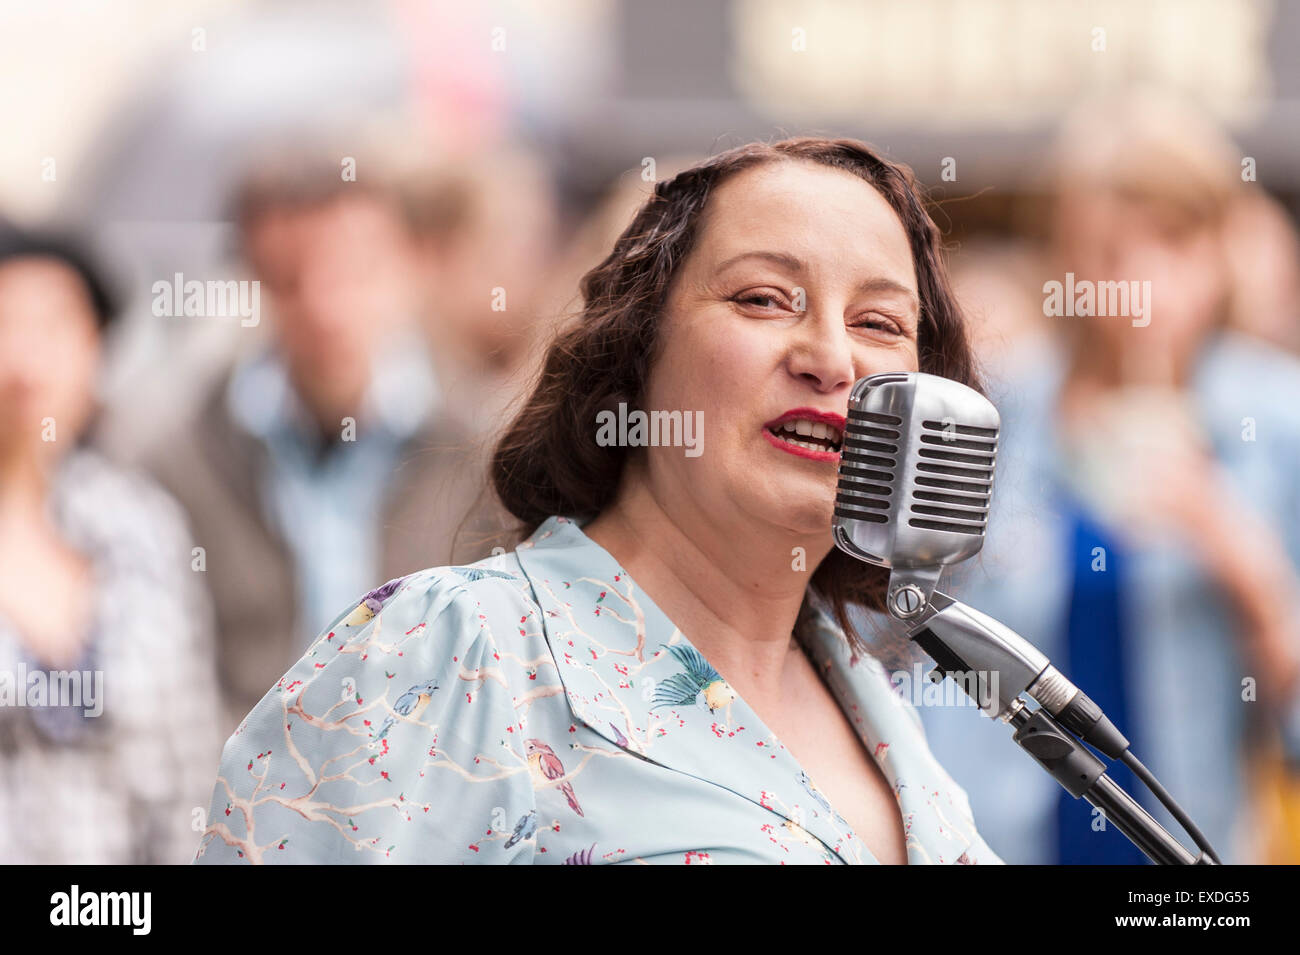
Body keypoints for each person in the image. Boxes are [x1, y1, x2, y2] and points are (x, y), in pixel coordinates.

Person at [194, 137, 1003, 865]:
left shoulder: (874, 695)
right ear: (636, 352)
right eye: (762, 298)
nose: (832, 357)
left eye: (879, 322)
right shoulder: (454, 656)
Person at [919, 91, 1300, 864]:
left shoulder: (1272, 419)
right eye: (1111, 253)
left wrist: (1246, 565)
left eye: (1175, 242)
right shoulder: (998, 411)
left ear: (1220, 252)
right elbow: (910, 645)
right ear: (1066, 256)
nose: (1143, 284)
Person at [144, 157, 502, 738]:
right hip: (244, 786)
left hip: (435, 781)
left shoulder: (488, 445)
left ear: (411, 265)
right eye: (288, 280)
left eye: (354, 275)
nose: (324, 308)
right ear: (252, 283)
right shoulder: (175, 453)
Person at [0, 226, 223, 863]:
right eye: (4, 324)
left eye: (55, 327)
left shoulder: (140, 527)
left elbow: (189, 763)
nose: (25, 363)